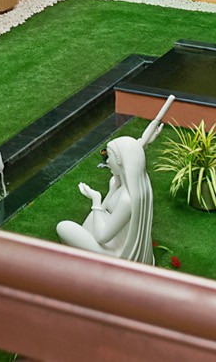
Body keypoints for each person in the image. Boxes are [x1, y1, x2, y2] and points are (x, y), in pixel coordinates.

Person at [55, 97, 172, 264]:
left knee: (64, 227)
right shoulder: (138, 185)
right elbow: (134, 153)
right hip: (117, 239)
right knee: (92, 219)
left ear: (120, 161)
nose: (106, 161)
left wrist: (96, 199)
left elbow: (102, 237)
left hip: (118, 256)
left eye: (107, 156)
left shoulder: (127, 198)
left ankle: (85, 265)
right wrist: (112, 189)